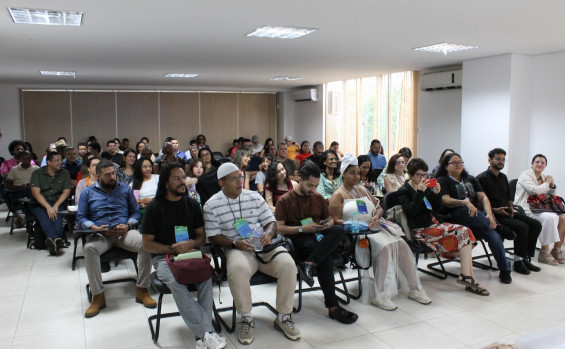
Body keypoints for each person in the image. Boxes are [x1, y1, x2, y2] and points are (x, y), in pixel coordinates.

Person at [203, 163, 301, 344]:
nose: (240, 182)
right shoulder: (211, 205)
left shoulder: (254, 197)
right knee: (237, 269)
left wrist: (269, 234)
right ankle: (246, 318)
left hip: (264, 246)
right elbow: (214, 236)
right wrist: (234, 243)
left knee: (288, 264)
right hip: (237, 249)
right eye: (233, 179)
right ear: (221, 183)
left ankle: (284, 316)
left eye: (240, 177)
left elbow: (270, 222)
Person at [329, 154, 432, 309]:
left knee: (401, 244)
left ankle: (415, 288)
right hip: (356, 233)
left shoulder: (362, 190)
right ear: (343, 173)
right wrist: (354, 223)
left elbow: (379, 207)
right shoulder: (338, 195)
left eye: (358, 173)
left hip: (375, 226)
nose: (356, 176)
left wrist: (376, 216)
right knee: (384, 248)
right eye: (352, 173)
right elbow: (335, 220)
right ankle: (380, 293)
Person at [142, 163, 226, 349]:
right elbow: (147, 244)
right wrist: (172, 250)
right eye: (177, 179)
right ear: (166, 183)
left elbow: (201, 236)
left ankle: (201, 336)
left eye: (183, 178)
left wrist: (190, 244)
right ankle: (207, 332)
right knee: (176, 283)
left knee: (205, 278)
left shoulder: (192, 205)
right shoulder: (154, 208)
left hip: (191, 252)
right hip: (163, 257)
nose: (183, 182)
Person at [275, 161, 359, 324]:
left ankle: (311, 263)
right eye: (309, 185)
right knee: (325, 255)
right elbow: (279, 228)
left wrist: (328, 223)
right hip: (300, 241)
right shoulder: (284, 200)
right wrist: (302, 229)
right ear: (300, 179)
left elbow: (328, 218)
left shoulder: (318, 197)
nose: (313, 189)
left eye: (316, 186)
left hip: (318, 238)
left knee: (338, 230)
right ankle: (333, 307)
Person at [397, 158, 489, 296]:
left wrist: (435, 194)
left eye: (425, 175)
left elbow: (435, 209)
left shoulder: (426, 187)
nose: (422, 178)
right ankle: (468, 277)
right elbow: (411, 211)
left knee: (466, 232)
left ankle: (468, 276)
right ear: (410, 174)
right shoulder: (404, 190)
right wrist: (420, 193)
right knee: (463, 232)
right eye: (419, 175)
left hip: (433, 224)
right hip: (420, 230)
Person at [77, 159, 156, 318]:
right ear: (98, 176)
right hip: (101, 233)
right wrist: (94, 227)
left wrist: (127, 225)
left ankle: (142, 290)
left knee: (145, 243)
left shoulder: (125, 189)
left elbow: (134, 212)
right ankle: (98, 296)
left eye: (113, 173)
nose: (112, 177)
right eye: (107, 175)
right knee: (89, 248)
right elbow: (81, 217)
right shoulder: (88, 192)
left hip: (123, 232)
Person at [436, 153, 512, 284]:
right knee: (466, 210)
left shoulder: (469, 178)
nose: (458, 165)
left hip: (477, 218)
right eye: (454, 163)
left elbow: (483, 198)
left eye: (460, 162)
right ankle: (499, 227)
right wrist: (465, 202)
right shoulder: (443, 180)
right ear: (446, 166)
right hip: (455, 215)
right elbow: (445, 200)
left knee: (494, 236)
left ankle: (504, 269)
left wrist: (490, 215)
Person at [477, 149, 542, 273]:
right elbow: (478, 202)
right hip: (494, 214)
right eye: (498, 159)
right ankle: (518, 261)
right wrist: (495, 210)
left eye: (503, 159)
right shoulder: (481, 178)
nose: (501, 162)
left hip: (507, 212)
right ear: (489, 160)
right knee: (522, 227)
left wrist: (511, 208)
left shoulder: (503, 177)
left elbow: (508, 197)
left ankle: (525, 258)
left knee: (536, 225)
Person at [515, 154, 565, 266]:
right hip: (527, 208)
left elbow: (550, 195)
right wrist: (547, 183)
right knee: (550, 217)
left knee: (562, 217)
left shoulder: (544, 177)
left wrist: (552, 186)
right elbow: (534, 191)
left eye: (543, 163)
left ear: (545, 165)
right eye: (537, 162)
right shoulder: (525, 175)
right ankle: (544, 251)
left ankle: (556, 249)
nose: (540, 164)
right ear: (532, 163)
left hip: (541, 208)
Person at [30, 152, 71, 255]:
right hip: (40, 203)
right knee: (45, 217)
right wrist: (48, 207)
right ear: (48, 162)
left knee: (57, 218)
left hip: (57, 201)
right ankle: (56, 239)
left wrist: (55, 206)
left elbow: (66, 191)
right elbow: (36, 193)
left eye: (61, 160)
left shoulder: (65, 173)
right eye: (56, 160)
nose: (60, 162)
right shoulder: (37, 173)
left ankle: (54, 241)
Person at [6, 151, 38, 227]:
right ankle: (29, 219)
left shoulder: (36, 169)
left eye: (28, 158)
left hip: (33, 192)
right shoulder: (14, 169)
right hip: (18, 192)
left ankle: (26, 218)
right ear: (20, 159)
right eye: (24, 159)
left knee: (30, 190)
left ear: (31, 159)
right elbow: (7, 186)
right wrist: (20, 186)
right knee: (27, 190)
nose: (26, 160)